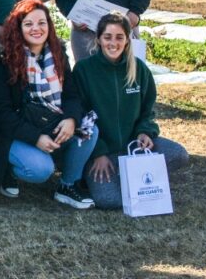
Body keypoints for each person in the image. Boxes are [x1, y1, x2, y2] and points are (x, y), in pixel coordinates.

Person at [0, 0, 96, 209]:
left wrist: (71, 119)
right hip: (17, 131)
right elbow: (1, 114)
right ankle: (7, 169)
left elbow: (72, 95)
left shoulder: (58, 55)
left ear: (49, 25)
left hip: (50, 122)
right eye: (28, 24)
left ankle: (67, 185)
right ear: (18, 28)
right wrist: (36, 138)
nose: (36, 29)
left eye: (41, 23)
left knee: (91, 131)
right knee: (40, 170)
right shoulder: (3, 63)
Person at [74, 13, 189, 209]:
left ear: (127, 40)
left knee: (179, 154)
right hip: (102, 153)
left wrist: (145, 131)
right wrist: (98, 152)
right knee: (110, 201)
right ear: (99, 39)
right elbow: (80, 116)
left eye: (119, 37)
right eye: (108, 37)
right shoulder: (84, 70)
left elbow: (148, 110)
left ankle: (130, 173)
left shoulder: (139, 69)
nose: (113, 43)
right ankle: (100, 174)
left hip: (133, 148)